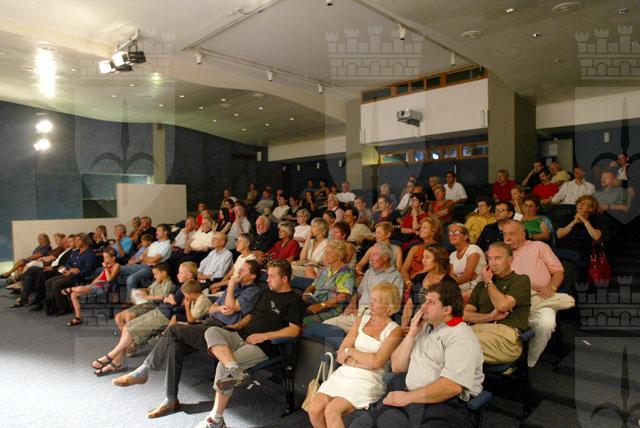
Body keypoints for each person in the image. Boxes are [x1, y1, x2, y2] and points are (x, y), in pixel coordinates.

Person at [111, 260, 264, 419]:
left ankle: (143, 371)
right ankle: (170, 399)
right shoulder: (236, 288)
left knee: (173, 329)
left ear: (253, 275)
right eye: (239, 269)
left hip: (222, 332)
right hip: (209, 324)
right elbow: (212, 308)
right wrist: (220, 306)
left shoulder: (253, 291)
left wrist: (231, 284)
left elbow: (231, 308)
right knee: (174, 346)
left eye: (243, 270)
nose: (238, 272)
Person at [349, 282, 484, 428]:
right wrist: (412, 333)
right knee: (360, 425)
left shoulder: (461, 336)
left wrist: (407, 398)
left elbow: (451, 387)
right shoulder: (425, 327)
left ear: (447, 310)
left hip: (443, 405)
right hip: (411, 400)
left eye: (431, 302)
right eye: (425, 301)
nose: (423, 306)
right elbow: (397, 366)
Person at [194, 260, 304, 428]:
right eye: (268, 276)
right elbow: (251, 315)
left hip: (263, 346)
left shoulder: (294, 300)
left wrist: (264, 336)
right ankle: (234, 368)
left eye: (272, 277)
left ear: (285, 279)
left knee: (222, 367)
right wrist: (237, 325)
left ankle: (216, 419)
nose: (268, 280)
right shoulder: (266, 293)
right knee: (211, 331)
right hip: (241, 335)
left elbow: (294, 330)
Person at [308, 284, 404, 427]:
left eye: (376, 300)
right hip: (345, 372)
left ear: (388, 306)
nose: (370, 303)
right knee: (314, 409)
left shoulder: (395, 331)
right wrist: (361, 359)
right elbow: (341, 354)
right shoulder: (361, 321)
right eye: (371, 299)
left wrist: (351, 352)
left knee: (332, 411)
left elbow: (377, 363)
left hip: (369, 379)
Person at [91, 262, 205, 376]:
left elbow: (178, 304)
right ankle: (116, 363)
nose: (178, 275)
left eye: (181, 273)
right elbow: (170, 298)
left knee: (130, 331)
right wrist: (170, 299)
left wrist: (171, 299)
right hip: (161, 310)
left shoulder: (190, 288)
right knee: (126, 327)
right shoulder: (181, 286)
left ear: (190, 275)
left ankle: (109, 356)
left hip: (165, 316)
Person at [503, 220, 573, 367]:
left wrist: (551, 287)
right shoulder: (502, 253)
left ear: (523, 234)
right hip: (511, 298)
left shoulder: (539, 246)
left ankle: (529, 361)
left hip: (540, 296)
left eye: (512, 234)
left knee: (546, 324)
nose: (507, 238)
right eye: (505, 234)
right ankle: (505, 356)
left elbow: (558, 271)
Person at [464, 242, 531, 364]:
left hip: (504, 335)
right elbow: (465, 315)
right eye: (489, 259)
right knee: (440, 339)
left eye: (497, 258)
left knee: (459, 344)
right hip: (477, 329)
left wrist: (489, 281)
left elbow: (502, 305)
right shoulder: (481, 285)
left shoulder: (521, 280)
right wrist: (490, 317)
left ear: (510, 260)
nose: (492, 263)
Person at [323, 243, 402, 333]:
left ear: (385, 257)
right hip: (358, 314)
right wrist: (352, 305)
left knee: (350, 334)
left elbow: (394, 305)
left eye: (374, 255)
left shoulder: (396, 277)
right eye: (370, 255)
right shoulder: (369, 272)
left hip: (375, 319)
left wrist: (373, 315)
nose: (370, 259)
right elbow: (358, 293)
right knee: (326, 325)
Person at [302, 240, 355, 325]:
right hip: (315, 301)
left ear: (339, 255)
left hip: (331, 308)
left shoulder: (345, 272)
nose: (325, 255)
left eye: (328, 253)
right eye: (325, 252)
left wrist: (321, 305)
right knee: (292, 309)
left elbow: (342, 297)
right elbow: (313, 285)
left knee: (303, 320)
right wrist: (307, 292)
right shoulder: (325, 269)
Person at [44, 233, 97, 316]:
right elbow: (68, 263)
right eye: (75, 240)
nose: (76, 242)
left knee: (56, 284)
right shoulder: (75, 252)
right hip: (70, 274)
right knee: (48, 282)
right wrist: (70, 269)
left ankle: (64, 308)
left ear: (84, 241)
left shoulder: (89, 253)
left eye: (78, 240)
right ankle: (53, 306)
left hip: (80, 276)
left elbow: (88, 269)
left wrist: (77, 271)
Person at [401, 245, 455, 325]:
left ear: (437, 260)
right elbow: (409, 304)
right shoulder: (419, 278)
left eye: (427, 257)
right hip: (412, 322)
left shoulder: (448, 283)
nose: (423, 261)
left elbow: (446, 314)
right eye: (423, 257)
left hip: (434, 325)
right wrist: (404, 324)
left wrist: (419, 327)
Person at [66, 247, 120, 327]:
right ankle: (78, 318)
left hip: (105, 287)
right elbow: (99, 278)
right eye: (104, 257)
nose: (104, 259)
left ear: (113, 258)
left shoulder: (116, 265)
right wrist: (90, 285)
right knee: (73, 294)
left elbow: (109, 280)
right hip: (97, 285)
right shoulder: (107, 266)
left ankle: (69, 289)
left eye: (106, 257)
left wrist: (105, 268)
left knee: (79, 289)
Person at [10, 233, 67, 308]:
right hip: (48, 266)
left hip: (52, 268)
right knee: (28, 277)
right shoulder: (58, 249)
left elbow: (52, 259)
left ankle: (19, 280)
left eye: (57, 239)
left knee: (32, 268)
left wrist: (46, 261)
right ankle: (24, 300)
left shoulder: (61, 249)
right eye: (55, 239)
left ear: (63, 240)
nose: (56, 241)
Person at [20, 235, 75, 311]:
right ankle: (25, 299)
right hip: (53, 267)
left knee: (37, 272)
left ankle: (38, 301)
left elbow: (63, 264)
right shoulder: (66, 250)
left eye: (70, 241)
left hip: (58, 270)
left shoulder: (70, 252)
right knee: (29, 277)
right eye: (68, 241)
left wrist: (53, 268)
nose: (68, 243)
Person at [114, 262, 174, 332]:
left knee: (129, 317)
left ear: (164, 273)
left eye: (156, 274)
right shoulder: (157, 282)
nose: (154, 276)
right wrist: (139, 291)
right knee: (118, 317)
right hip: (145, 303)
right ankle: (126, 336)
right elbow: (149, 289)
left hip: (153, 306)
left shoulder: (168, 284)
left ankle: (131, 337)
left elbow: (162, 297)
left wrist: (147, 297)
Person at [119, 224, 172, 300]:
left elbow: (154, 260)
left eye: (158, 231)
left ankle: (131, 302)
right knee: (117, 268)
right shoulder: (154, 243)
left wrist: (144, 258)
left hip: (153, 268)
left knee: (131, 279)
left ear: (165, 232)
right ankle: (113, 293)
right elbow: (143, 255)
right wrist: (145, 258)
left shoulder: (167, 245)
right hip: (143, 265)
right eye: (156, 230)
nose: (156, 232)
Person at [556, 195, 605, 265]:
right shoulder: (567, 217)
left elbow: (597, 237)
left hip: (581, 251)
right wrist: (574, 222)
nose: (580, 205)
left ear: (591, 208)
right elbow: (559, 235)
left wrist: (584, 220)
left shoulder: (595, 220)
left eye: (584, 203)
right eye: (579, 202)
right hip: (563, 248)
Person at [400, 218, 442, 291]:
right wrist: (408, 283)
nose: (421, 230)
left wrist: (418, 274)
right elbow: (404, 270)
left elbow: (439, 271)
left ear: (433, 231)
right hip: (410, 283)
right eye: (421, 227)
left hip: (429, 285)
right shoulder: (415, 248)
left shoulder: (440, 250)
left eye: (424, 227)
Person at [447, 223, 486, 301]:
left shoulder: (473, 249)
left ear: (466, 236)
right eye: (450, 233)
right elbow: (452, 277)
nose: (452, 235)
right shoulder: (452, 255)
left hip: (476, 288)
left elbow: (467, 276)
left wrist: (454, 281)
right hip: (459, 288)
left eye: (456, 232)